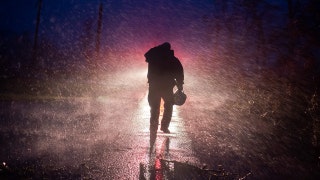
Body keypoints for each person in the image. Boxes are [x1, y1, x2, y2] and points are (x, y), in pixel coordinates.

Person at [144, 42, 184, 134]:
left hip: (154, 86)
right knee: (169, 106)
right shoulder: (172, 59)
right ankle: (164, 126)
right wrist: (180, 85)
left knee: (154, 107)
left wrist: (156, 49)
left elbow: (147, 55)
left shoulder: (153, 57)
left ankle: (153, 126)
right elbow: (179, 72)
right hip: (167, 86)